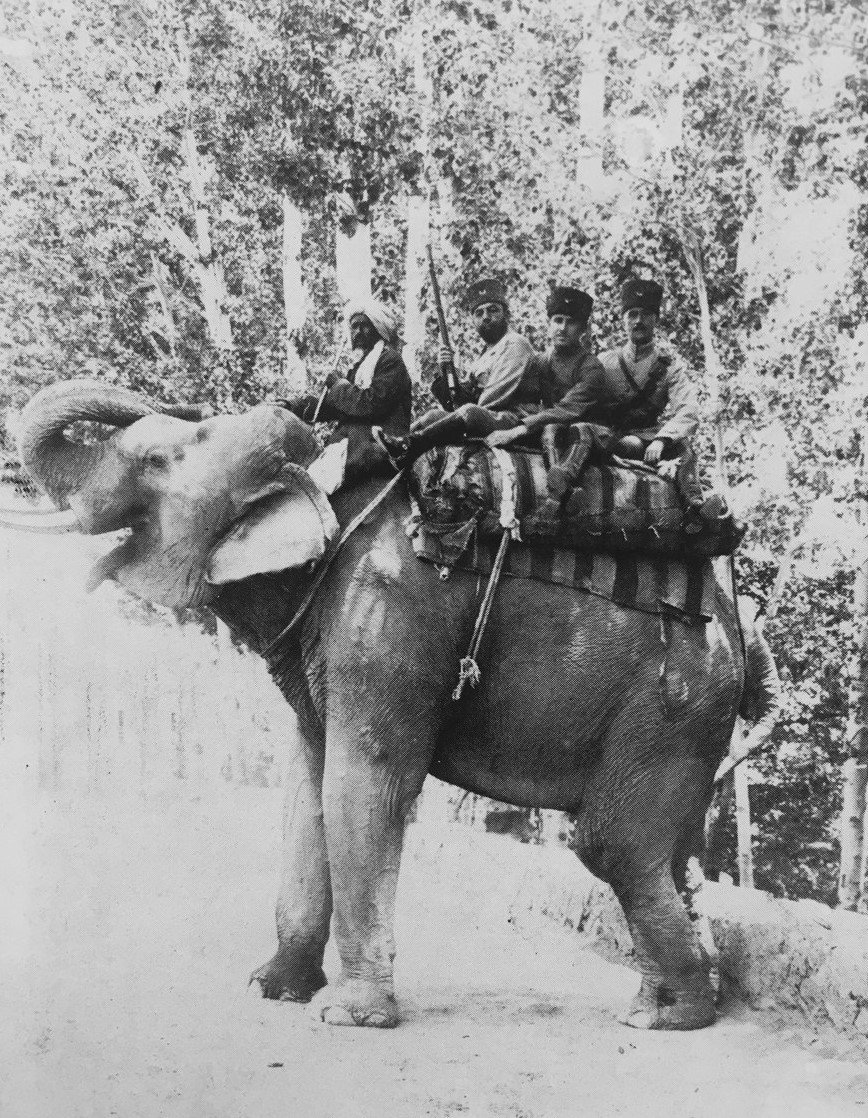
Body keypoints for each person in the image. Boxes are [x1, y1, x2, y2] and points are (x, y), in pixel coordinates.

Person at [489, 277, 718, 527]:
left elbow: (687, 409)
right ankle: (561, 486)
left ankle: (695, 506)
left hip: (644, 439)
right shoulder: (606, 362)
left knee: (683, 446)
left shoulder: (668, 368)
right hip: (606, 435)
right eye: (632, 314)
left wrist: (663, 439)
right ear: (624, 320)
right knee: (582, 429)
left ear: (656, 320)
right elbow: (577, 395)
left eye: (645, 314)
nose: (638, 321)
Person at [374, 277, 534, 465]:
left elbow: (491, 399)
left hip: (515, 420)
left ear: (506, 313)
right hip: (489, 417)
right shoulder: (484, 356)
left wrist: (468, 409)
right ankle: (393, 445)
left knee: (469, 412)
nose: (486, 317)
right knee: (433, 416)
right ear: (473, 320)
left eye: (493, 310)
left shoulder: (515, 344)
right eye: (478, 313)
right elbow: (457, 403)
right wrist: (447, 372)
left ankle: (408, 445)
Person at [284, 299, 411, 481]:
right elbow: (333, 407)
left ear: (377, 327)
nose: (358, 332)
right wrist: (291, 405)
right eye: (354, 327)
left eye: (364, 326)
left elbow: (370, 404)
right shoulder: (359, 368)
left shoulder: (390, 361)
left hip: (376, 446)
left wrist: (339, 385)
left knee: (312, 485)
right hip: (353, 445)